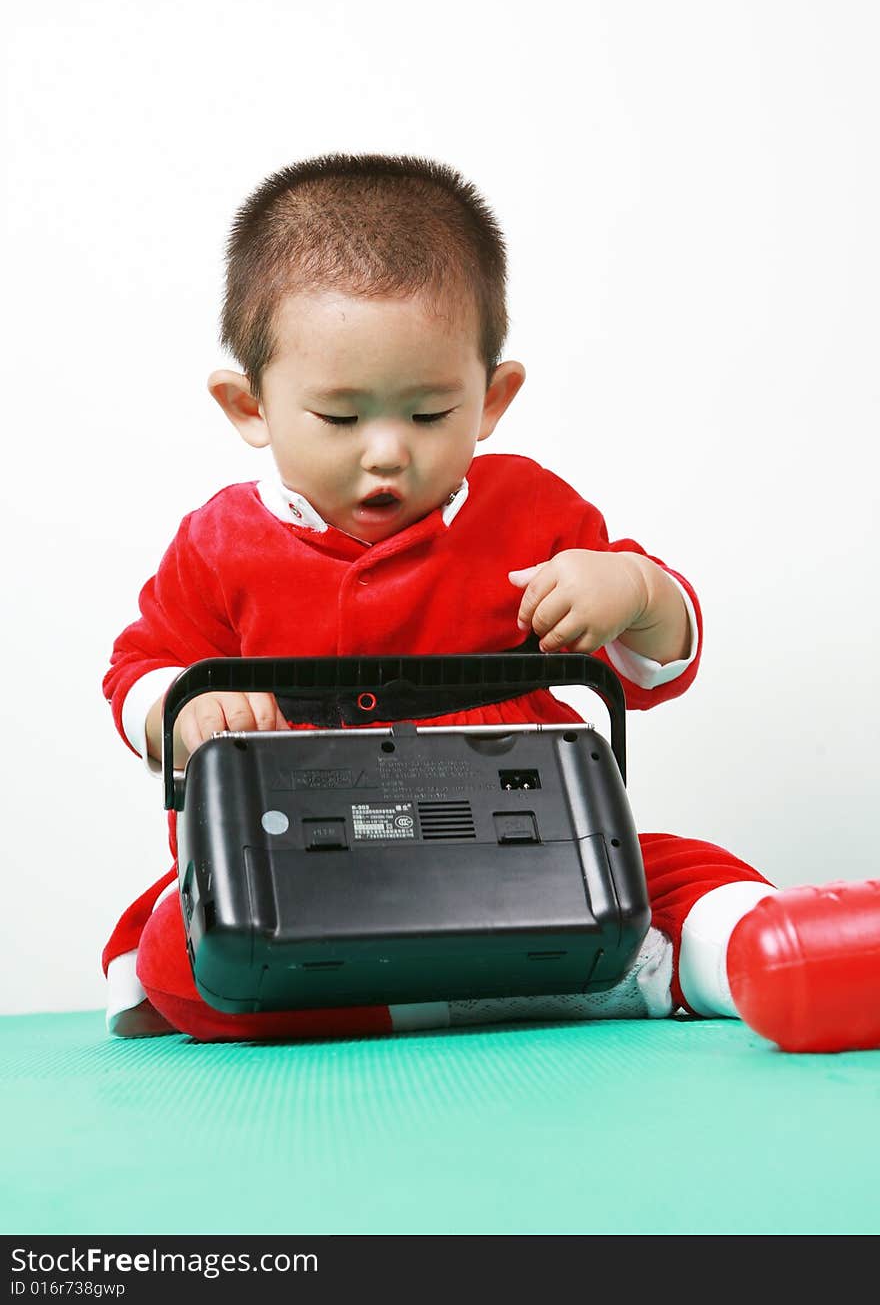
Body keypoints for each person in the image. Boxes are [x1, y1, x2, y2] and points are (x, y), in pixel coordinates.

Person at [101, 152, 879, 1052]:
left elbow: (663, 657)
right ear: (250, 407)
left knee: (682, 871)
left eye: (430, 413)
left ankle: (765, 958)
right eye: (341, 419)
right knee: (183, 957)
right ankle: (583, 986)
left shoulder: (533, 511)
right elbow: (139, 668)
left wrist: (631, 590)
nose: (387, 453)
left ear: (493, 397)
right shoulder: (219, 543)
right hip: (307, 863)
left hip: (528, 843)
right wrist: (179, 711)